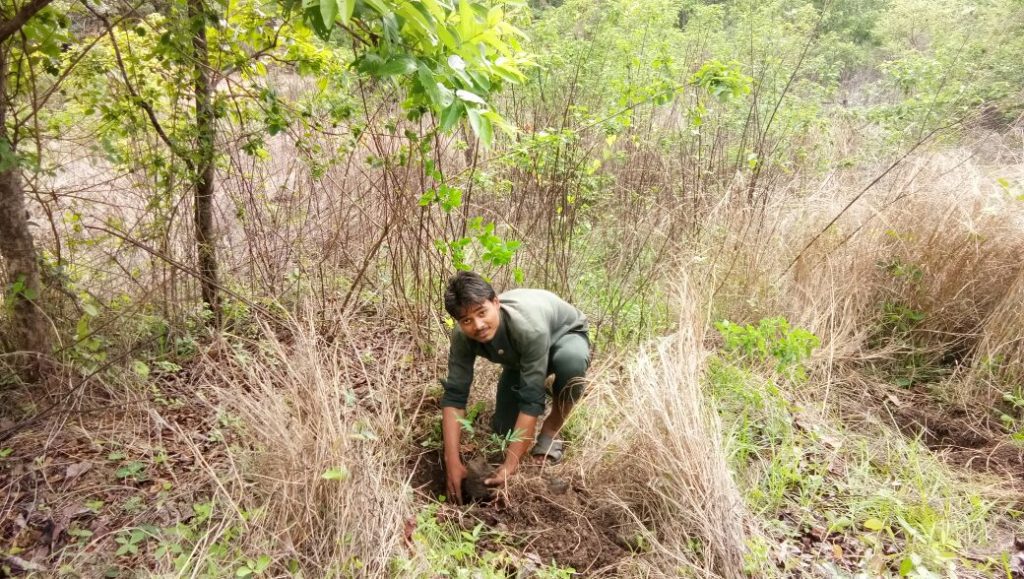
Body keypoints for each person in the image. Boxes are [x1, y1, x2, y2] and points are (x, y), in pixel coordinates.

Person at [439, 271, 591, 504]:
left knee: (570, 362)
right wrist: (452, 462)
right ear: (459, 322)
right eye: (467, 320)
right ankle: (537, 376)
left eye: (482, 313)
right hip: (521, 357)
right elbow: (455, 397)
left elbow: (530, 401)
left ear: (496, 303)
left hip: (563, 334)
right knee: (504, 433)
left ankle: (550, 432)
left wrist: (511, 466)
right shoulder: (462, 336)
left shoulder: (529, 328)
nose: (477, 325)